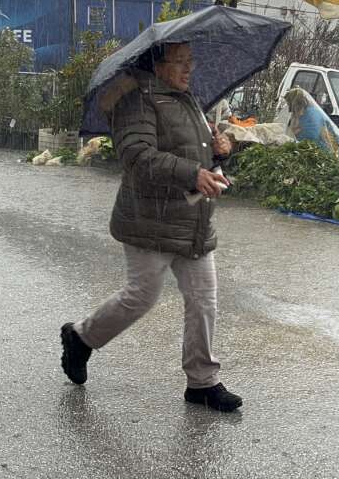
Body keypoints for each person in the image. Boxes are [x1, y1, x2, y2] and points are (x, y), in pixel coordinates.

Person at [60, 42, 243, 412]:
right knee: (141, 296)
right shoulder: (135, 100)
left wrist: (219, 151)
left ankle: (202, 381)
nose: (188, 68)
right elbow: (138, 156)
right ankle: (81, 337)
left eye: (191, 60)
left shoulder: (186, 98)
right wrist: (193, 173)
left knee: (204, 299)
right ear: (156, 64)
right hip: (150, 219)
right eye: (180, 61)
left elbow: (194, 149)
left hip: (192, 219)